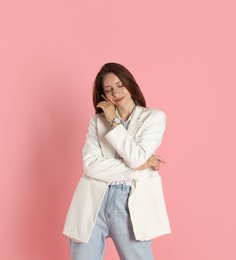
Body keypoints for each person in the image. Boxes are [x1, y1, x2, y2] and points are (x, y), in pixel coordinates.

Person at [63, 62, 171, 260]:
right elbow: (91, 167)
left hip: (131, 203)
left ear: (130, 84)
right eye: (108, 89)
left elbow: (136, 156)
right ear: (103, 96)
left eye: (120, 85)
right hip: (93, 201)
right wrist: (138, 167)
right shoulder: (97, 122)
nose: (116, 92)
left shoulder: (154, 118)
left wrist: (114, 120)